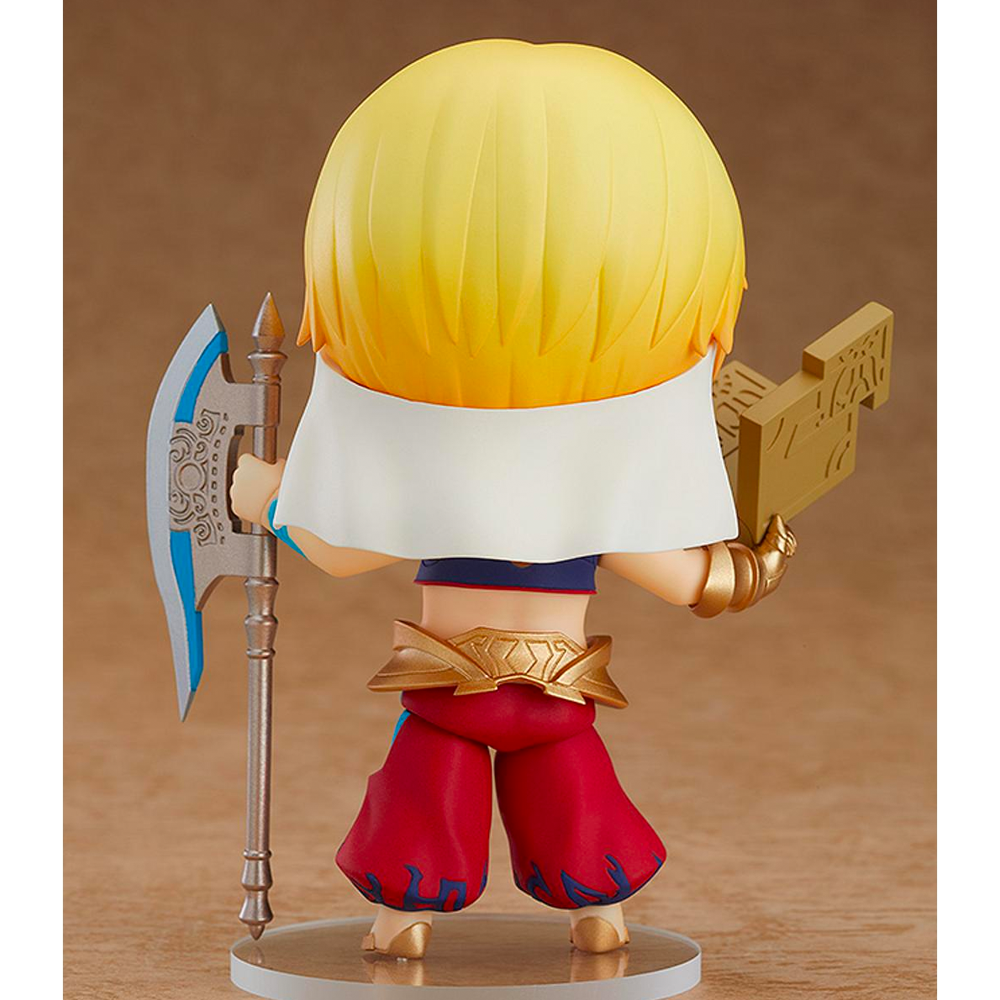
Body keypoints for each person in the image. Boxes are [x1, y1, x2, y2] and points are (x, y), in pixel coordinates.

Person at [231, 39, 795, 960]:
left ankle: (407, 916)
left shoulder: (431, 480)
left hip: (447, 685)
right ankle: (597, 912)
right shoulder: (603, 488)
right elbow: (685, 580)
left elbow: (340, 548)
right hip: (555, 691)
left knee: (430, 798)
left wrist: (269, 495)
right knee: (573, 799)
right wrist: (751, 569)